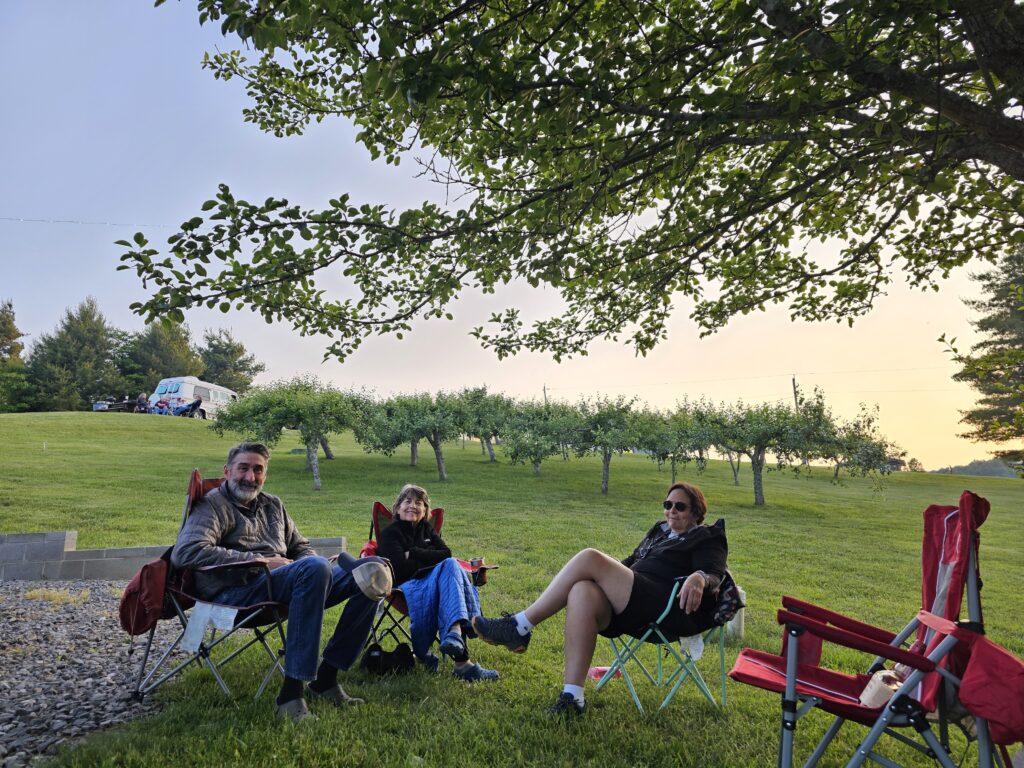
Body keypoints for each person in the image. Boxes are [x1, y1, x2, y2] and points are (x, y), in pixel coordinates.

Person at [171, 441, 393, 723]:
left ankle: (326, 677)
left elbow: (300, 547)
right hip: (236, 594)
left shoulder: (273, 504)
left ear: (265, 474)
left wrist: (312, 567)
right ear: (227, 471)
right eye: (243, 468)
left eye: (257, 470)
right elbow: (187, 551)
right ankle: (290, 695)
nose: (250, 477)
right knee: (313, 567)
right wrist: (262, 561)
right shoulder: (213, 505)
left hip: (287, 584)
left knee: (372, 573)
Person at [473, 481, 727, 715]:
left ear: (696, 512)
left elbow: (714, 573)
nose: (671, 510)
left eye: (680, 506)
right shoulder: (659, 532)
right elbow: (631, 563)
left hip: (664, 609)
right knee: (581, 589)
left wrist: (699, 577)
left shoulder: (706, 536)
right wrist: (608, 571)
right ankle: (573, 697)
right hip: (632, 605)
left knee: (590, 557)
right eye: (667, 505)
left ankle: (519, 626)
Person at [376, 484, 499, 682]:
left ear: (425, 511)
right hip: (405, 588)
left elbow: (445, 553)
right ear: (398, 508)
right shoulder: (391, 533)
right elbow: (398, 567)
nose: (412, 506)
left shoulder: (427, 529)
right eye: (407, 501)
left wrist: (413, 553)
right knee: (450, 570)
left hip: (436, 580)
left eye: (419, 503)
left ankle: (454, 635)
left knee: (450, 566)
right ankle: (461, 657)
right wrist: (428, 558)